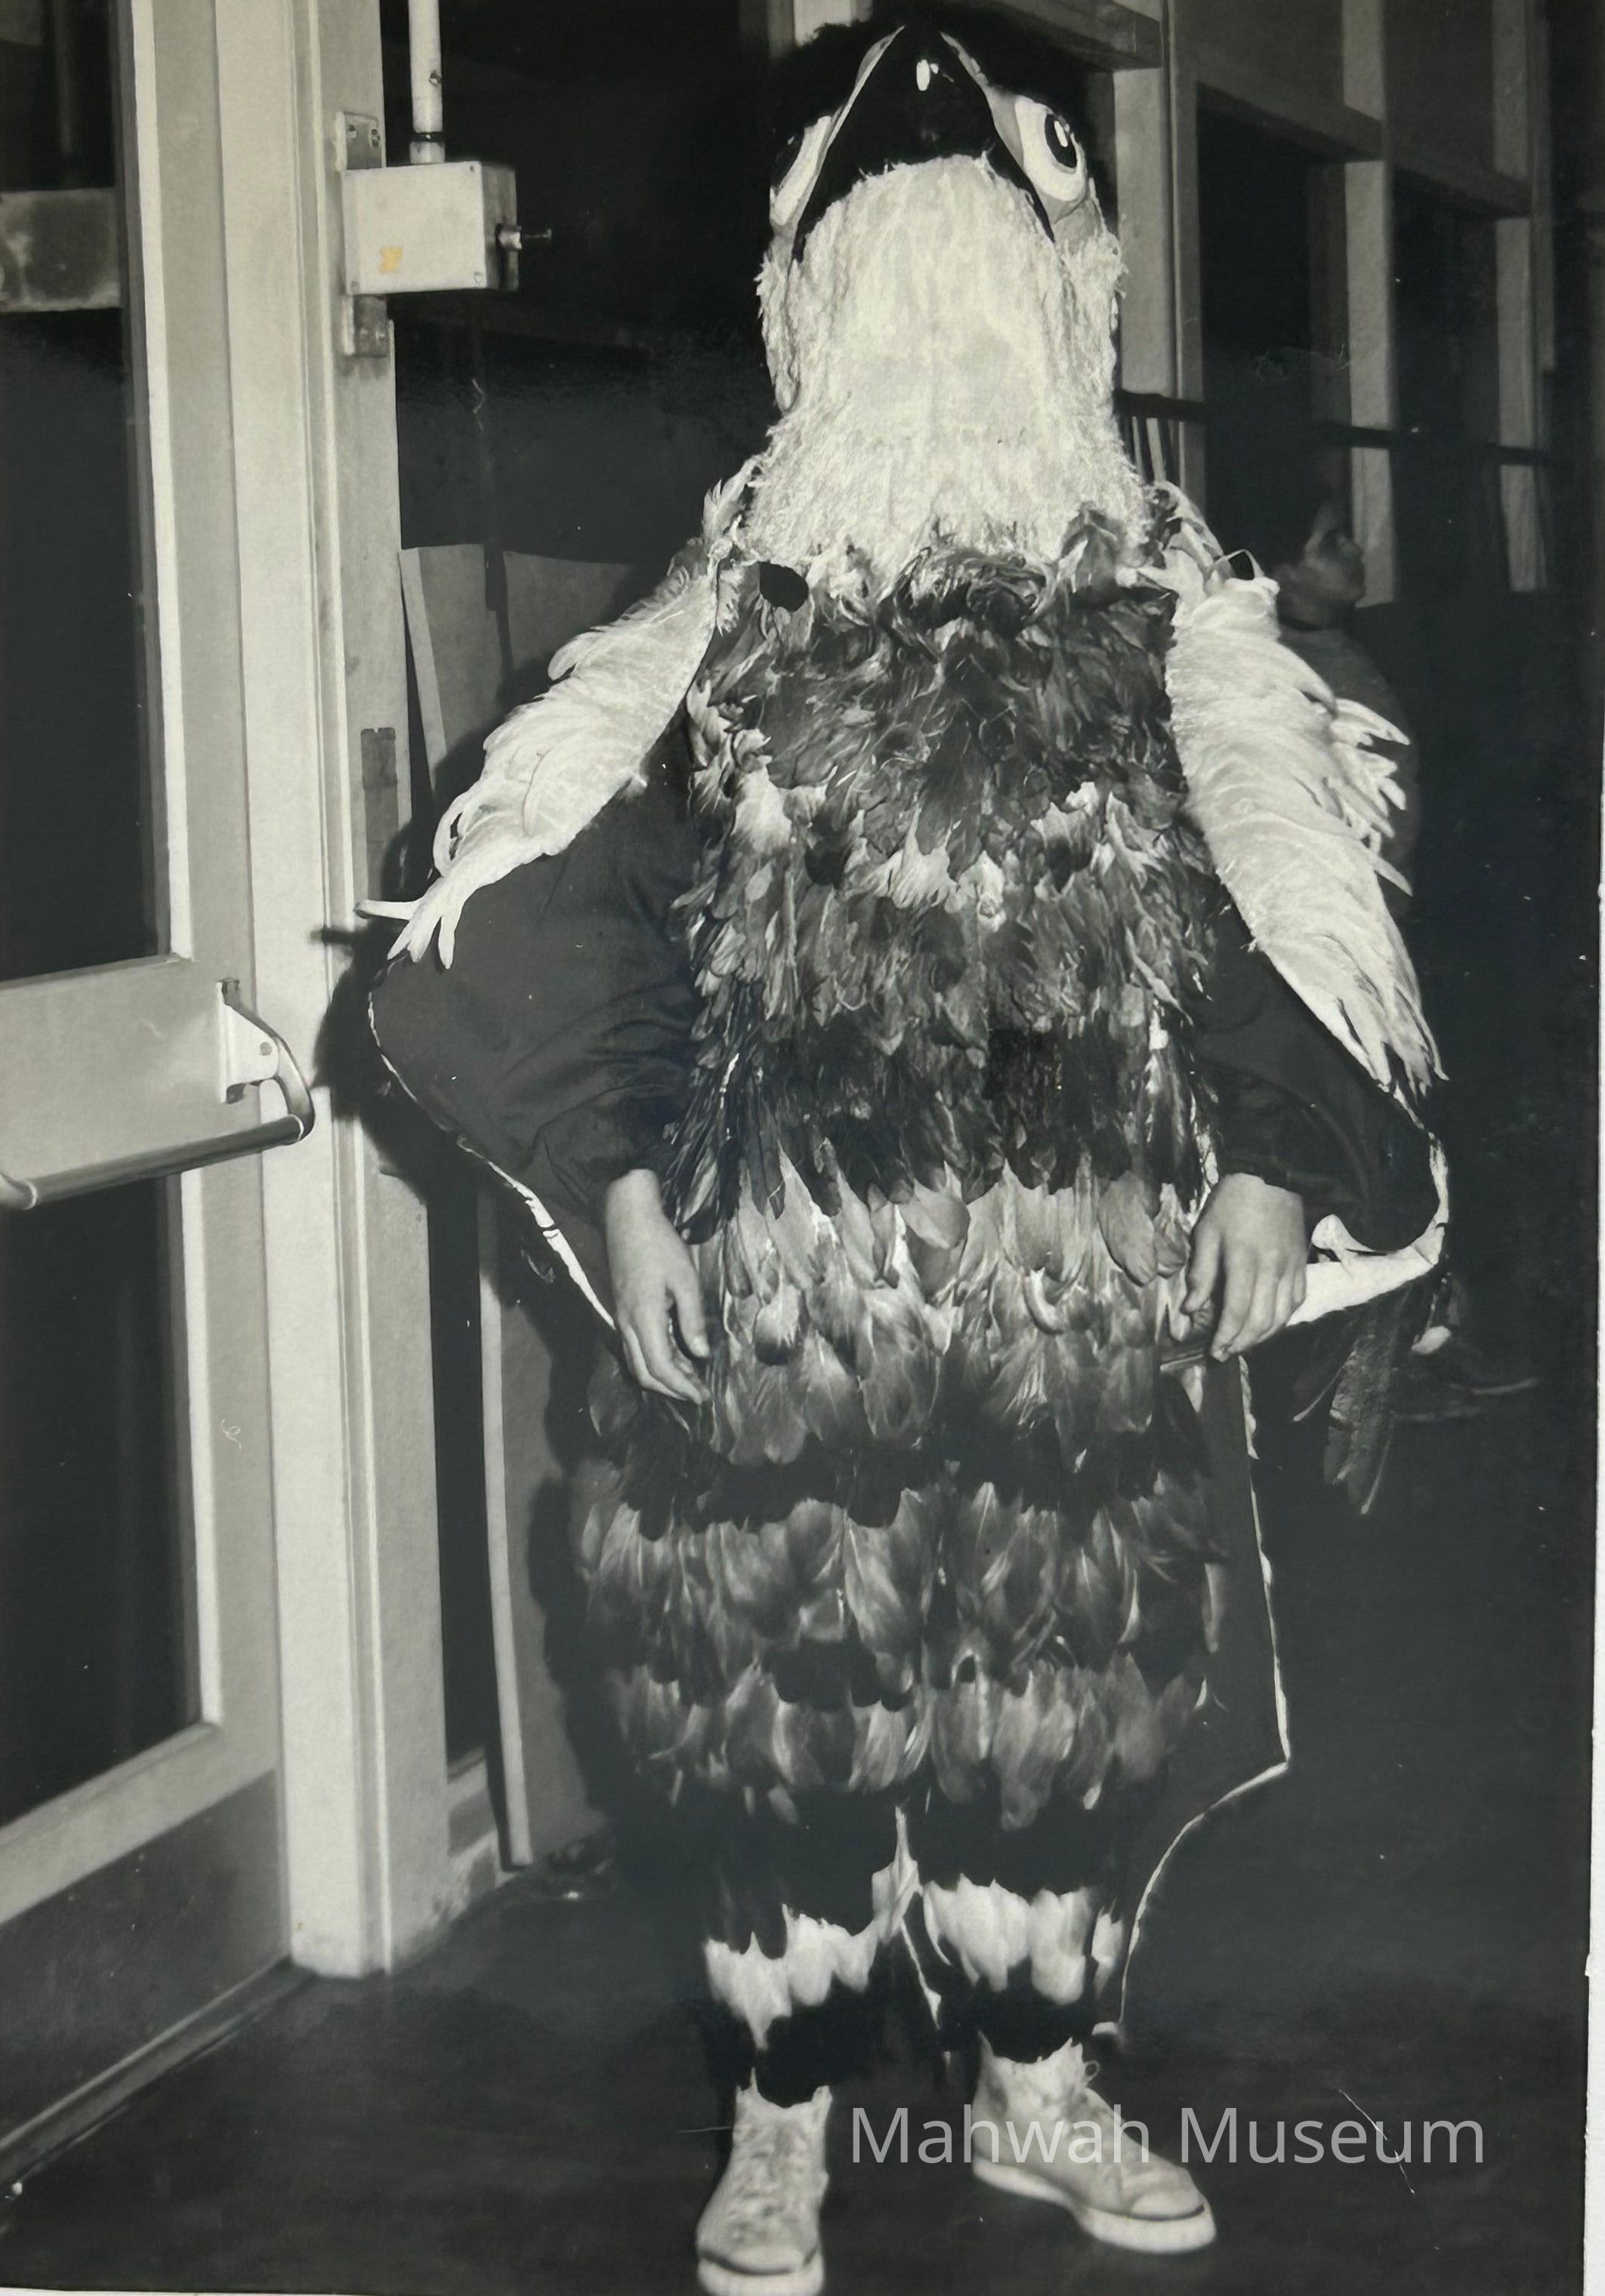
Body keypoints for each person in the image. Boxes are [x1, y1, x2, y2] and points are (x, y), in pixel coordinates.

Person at [370, 23, 1441, 2291]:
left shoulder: (1171, 615)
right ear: (805, 310)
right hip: (786, 1273)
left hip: (1081, 1273)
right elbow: (580, 924)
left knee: (1059, 1669)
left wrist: (1269, 1155)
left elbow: (1269, 905)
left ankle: (1038, 2085)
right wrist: (628, 1185)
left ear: (1075, 292)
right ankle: (783, 2121)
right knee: (767, 1679)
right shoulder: (721, 626)